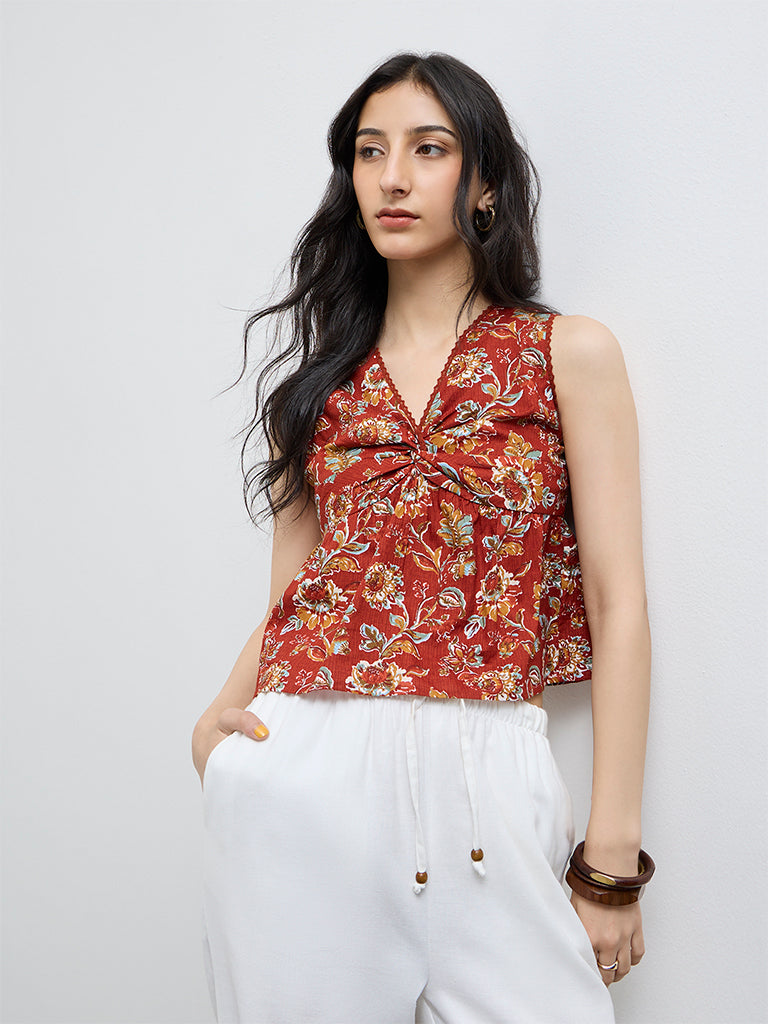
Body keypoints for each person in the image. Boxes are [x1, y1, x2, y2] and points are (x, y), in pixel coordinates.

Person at [192, 51, 652, 1024]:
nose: (392, 177)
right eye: (370, 152)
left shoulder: (567, 352)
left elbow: (617, 603)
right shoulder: (315, 392)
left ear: (484, 183)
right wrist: (218, 727)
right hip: (306, 774)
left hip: (492, 774)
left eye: (428, 149)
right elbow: (297, 599)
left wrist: (611, 856)